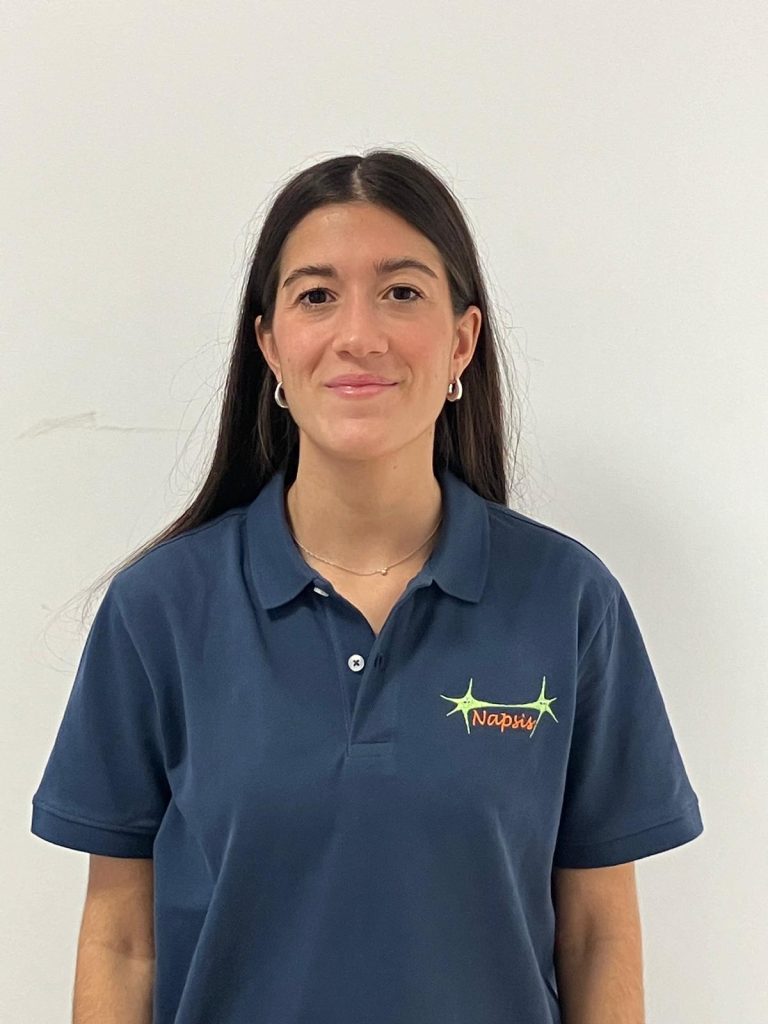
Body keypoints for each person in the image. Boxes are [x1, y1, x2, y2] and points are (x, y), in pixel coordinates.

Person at [30, 148, 703, 1024]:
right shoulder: (159, 611)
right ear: (270, 346)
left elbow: (596, 934)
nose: (360, 335)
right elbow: (122, 941)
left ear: (462, 341)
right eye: (316, 296)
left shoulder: (569, 601)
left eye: (402, 292)